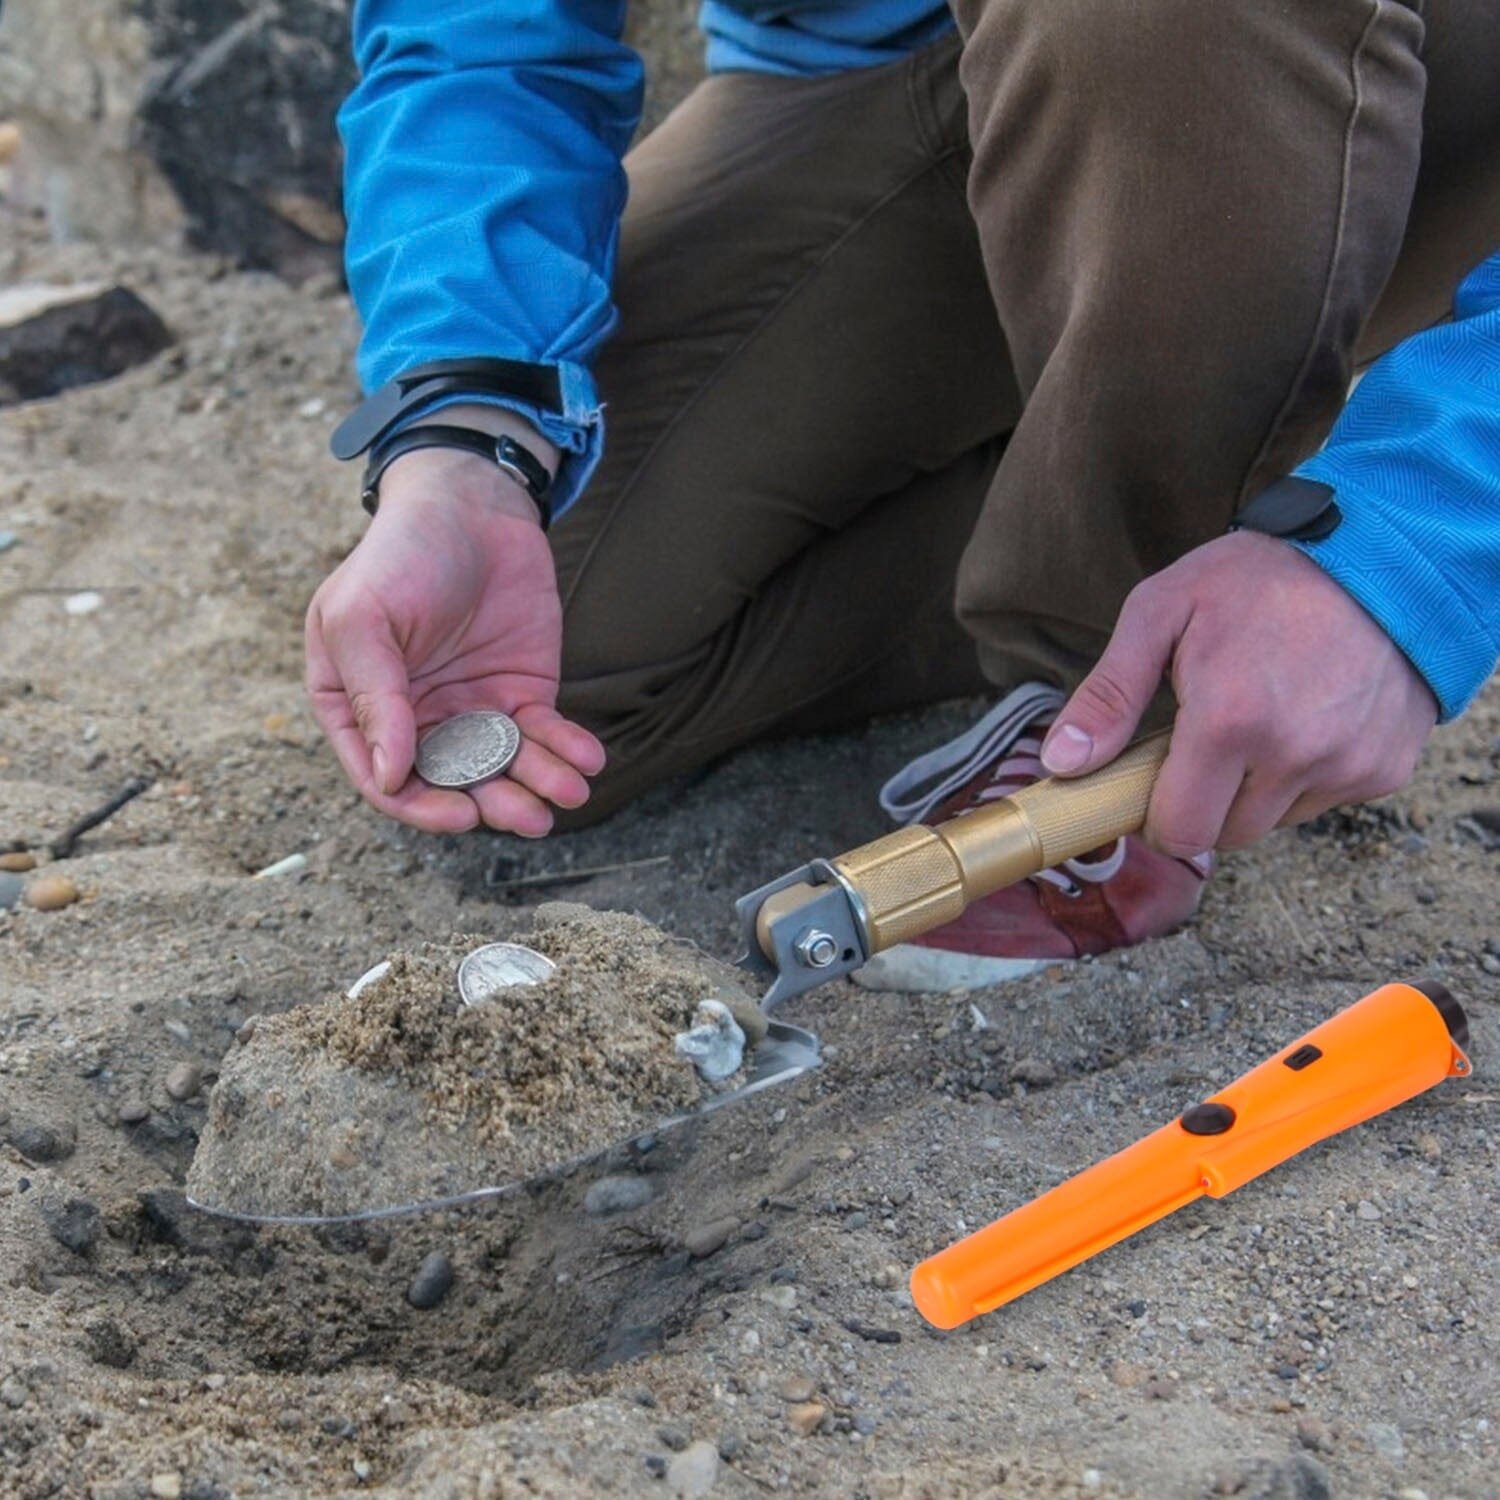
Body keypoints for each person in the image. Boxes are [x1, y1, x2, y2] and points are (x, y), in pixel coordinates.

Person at [307, 0, 1500, 992]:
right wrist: (469, 442)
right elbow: (474, 32)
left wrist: (1412, 539)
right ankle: (1161, 456)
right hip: (877, 69)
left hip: (1348, 71)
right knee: (545, 664)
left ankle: (1106, 714)